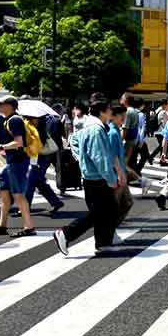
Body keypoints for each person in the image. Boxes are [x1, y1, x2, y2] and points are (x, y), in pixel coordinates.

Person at [53, 97, 122, 256]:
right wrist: (111, 179)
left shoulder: (88, 125)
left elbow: (75, 143)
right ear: (103, 112)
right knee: (99, 212)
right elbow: (100, 157)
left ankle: (103, 243)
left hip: (91, 175)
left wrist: (80, 158)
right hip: (97, 177)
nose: (112, 111)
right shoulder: (96, 129)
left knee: (107, 210)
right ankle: (66, 233)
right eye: (110, 109)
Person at [0, 96, 36, 238]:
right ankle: (2, 225)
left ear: (10, 106)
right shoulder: (7, 120)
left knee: (18, 194)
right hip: (12, 162)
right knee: (3, 191)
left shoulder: (14, 121)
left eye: (1, 103)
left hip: (18, 162)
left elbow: (19, 142)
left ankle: (29, 227)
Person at [23, 115, 65, 216]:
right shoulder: (29, 127)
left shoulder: (40, 130)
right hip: (36, 158)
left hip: (41, 158)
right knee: (39, 182)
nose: (31, 120)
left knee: (30, 182)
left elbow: (36, 146)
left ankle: (25, 208)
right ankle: (56, 202)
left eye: (34, 118)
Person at [108, 106, 133, 230]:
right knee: (116, 205)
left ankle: (111, 228)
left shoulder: (117, 131)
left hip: (120, 173)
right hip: (115, 175)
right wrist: (119, 174)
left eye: (124, 115)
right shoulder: (112, 133)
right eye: (121, 115)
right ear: (113, 116)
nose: (123, 118)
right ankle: (110, 230)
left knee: (126, 202)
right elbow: (112, 156)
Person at [120, 92, 143, 185]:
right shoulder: (134, 111)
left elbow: (125, 129)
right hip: (132, 140)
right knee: (125, 163)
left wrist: (120, 141)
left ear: (126, 100)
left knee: (123, 163)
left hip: (128, 141)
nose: (120, 99)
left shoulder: (128, 111)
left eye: (122, 98)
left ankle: (140, 180)